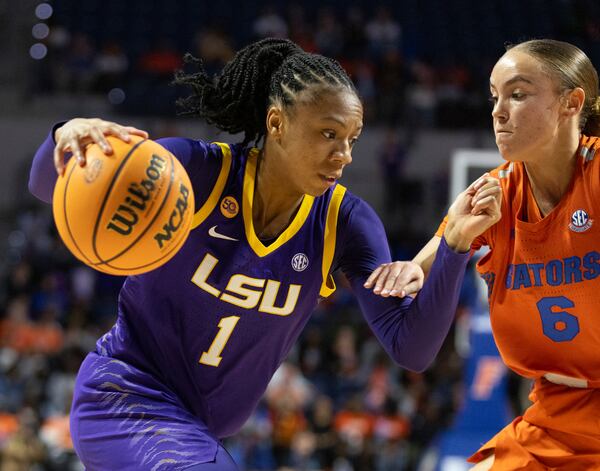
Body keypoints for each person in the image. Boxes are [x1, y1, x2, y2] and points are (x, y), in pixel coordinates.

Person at [29, 38, 501, 470]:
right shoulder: (199, 173)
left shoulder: (346, 224)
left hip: (195, 432)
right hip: (124, 394)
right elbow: (46, 185)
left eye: (352, 140)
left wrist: (455, 247)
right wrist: (68, 138)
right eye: (328, 134)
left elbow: (412, 348)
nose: (345, 155)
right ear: (277, 122)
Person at [366, 39, 600, 469]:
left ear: (571, 103)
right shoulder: (495, 194)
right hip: (557, 417)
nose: (498, 110)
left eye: (518, 94)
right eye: (494, 96)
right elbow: (426, 263)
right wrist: (412, 269)